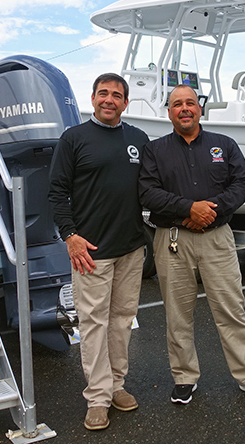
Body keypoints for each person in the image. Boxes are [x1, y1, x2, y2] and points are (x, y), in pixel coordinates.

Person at [139, 84, 245, 404]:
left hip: (217, 238)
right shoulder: (154, 150)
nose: (184, 109)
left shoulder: (224, 144)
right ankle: (184, 377)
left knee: (232, 309)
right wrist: (189, 210)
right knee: (177, 314)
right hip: (172, 240)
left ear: (199, 108)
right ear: (168, 112)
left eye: (190, 103)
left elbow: (243, 184)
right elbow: (147, 192)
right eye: (176, 105)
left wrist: (208, 212)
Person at [48, 73, 150, 431]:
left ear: (125, 103)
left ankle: (117, 385)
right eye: (103, 93)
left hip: (131, 248)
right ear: (92, 99)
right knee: (93, 324)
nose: (109, 100)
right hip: (91, 251)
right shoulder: (74, 138)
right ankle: (97, 397)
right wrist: (70, 236)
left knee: (122, 321)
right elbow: (57, 192)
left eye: (117, 95)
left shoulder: (138, 139)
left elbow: (150, 189)